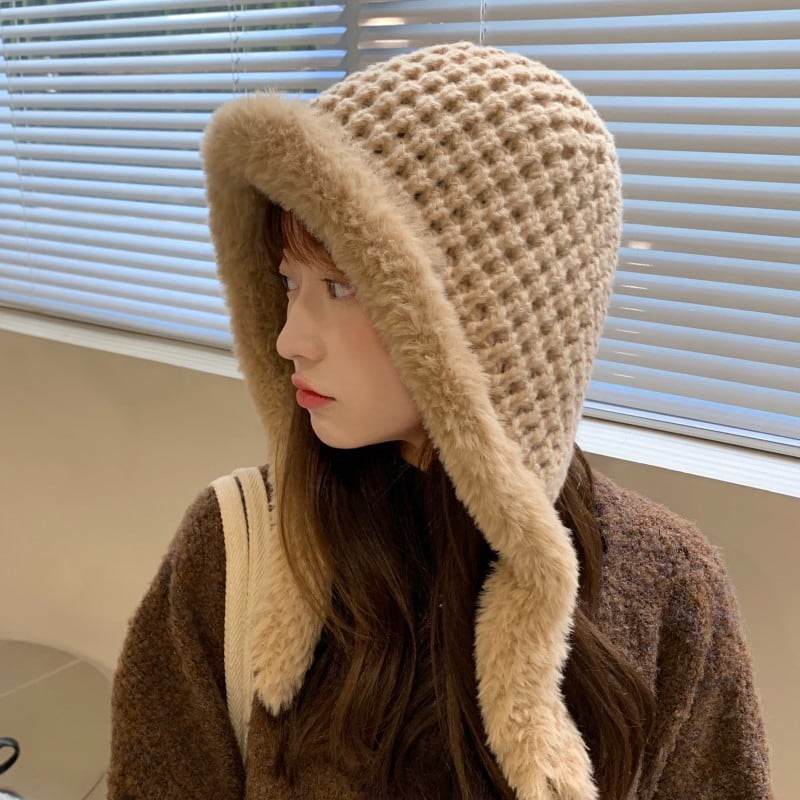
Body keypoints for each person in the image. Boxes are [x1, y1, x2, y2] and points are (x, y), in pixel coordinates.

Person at [108, 42, 773, 799]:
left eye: (342, 286)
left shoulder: (671, 591)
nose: (290, 339)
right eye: (289, 283)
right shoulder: (236, 553)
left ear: (495, 312)